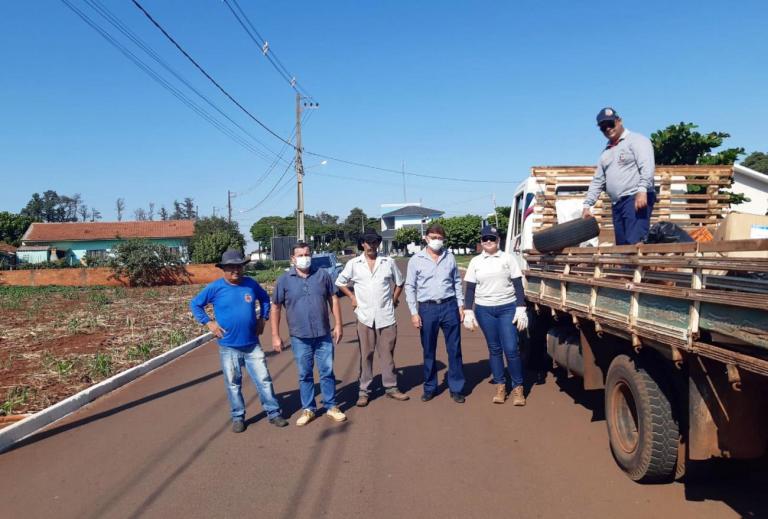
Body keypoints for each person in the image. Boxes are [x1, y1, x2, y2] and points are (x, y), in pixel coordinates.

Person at [190, 249, 288, 433]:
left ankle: (273, 413)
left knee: (264, 380)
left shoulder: (250, 284)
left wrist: (263, 318)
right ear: (224, 269)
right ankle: (238, 417)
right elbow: (195, 304)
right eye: (231, 267)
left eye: (239, 266)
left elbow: (264, 299)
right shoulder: (215, 288)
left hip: (252, 344)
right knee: (233, 384)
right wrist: (209, 322)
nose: (235, 270)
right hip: (228, 346)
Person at [271, 242, 347, 426]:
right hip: (299, 337)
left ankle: (331, 406)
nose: (304, 258)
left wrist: (338, 324)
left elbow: (333, 299)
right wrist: (275, 335)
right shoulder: (284, 280)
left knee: (327, 371)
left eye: (307, 254)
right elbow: (276, 307)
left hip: (323, 334)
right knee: (305, 374)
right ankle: (309, 409)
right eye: (300, 255)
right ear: (293, 258)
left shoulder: (322, 275)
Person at [335, 229, 410, 407]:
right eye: (368, 242)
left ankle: (391, 387)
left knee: (387, 354)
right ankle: (364, 391)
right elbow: (340, 282)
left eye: (375, 242)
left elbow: (400, 282)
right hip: (365, 316)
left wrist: (394, 298)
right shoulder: (354, 264)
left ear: (378, 243)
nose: (371, 245)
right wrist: (352, 297)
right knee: (366, 355)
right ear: (362, 244)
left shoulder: (388, 262)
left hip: (386, 316)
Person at [462, 226, 529, 405]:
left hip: (507, 308)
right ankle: (500, 385)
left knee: (511, 348)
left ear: (498, 240)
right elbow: (470, 288)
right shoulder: (476, 261)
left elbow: (518, 284)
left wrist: (521, 308)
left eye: (492, 238)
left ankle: (518, 387)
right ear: (481, 242)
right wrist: (468, 310)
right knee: (494, 349)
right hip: (484, 310)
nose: (489, 241)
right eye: (485, 239)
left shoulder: (508, 258)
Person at [404, 223, 467, 403]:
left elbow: (456, 282)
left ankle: (456, 387)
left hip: (449, 306)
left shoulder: (449, 257)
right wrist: (414, 312)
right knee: (428, 350)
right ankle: (430, 387)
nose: (437, 241)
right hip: (427, 309)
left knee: (454, 349)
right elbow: (410, 286)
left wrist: (460, 305)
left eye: (440, 238)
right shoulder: (416, 260)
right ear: (426, 238)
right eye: (433, 237)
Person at [582, 107, 657, 245]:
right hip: (617, 204)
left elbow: (647, 166)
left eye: (610, 124)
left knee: (635, 244)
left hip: (634, 198)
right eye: (603, 127)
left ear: (619, 121)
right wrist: (587, 205)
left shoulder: (637, 140)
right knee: (622, 247)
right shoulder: (606, 153)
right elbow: (598, 181)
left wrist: (642, 190)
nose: (608, 129)